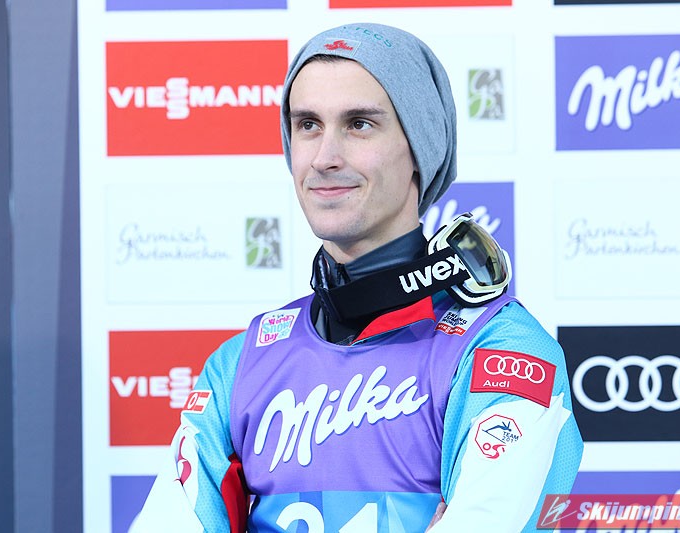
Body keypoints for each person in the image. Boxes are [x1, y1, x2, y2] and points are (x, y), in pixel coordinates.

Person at [131, 22, 582, 533]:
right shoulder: (241, 364)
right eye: (308, 125)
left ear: (420, 149)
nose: (325, 158)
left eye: (359, 124)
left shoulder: (501, 352)